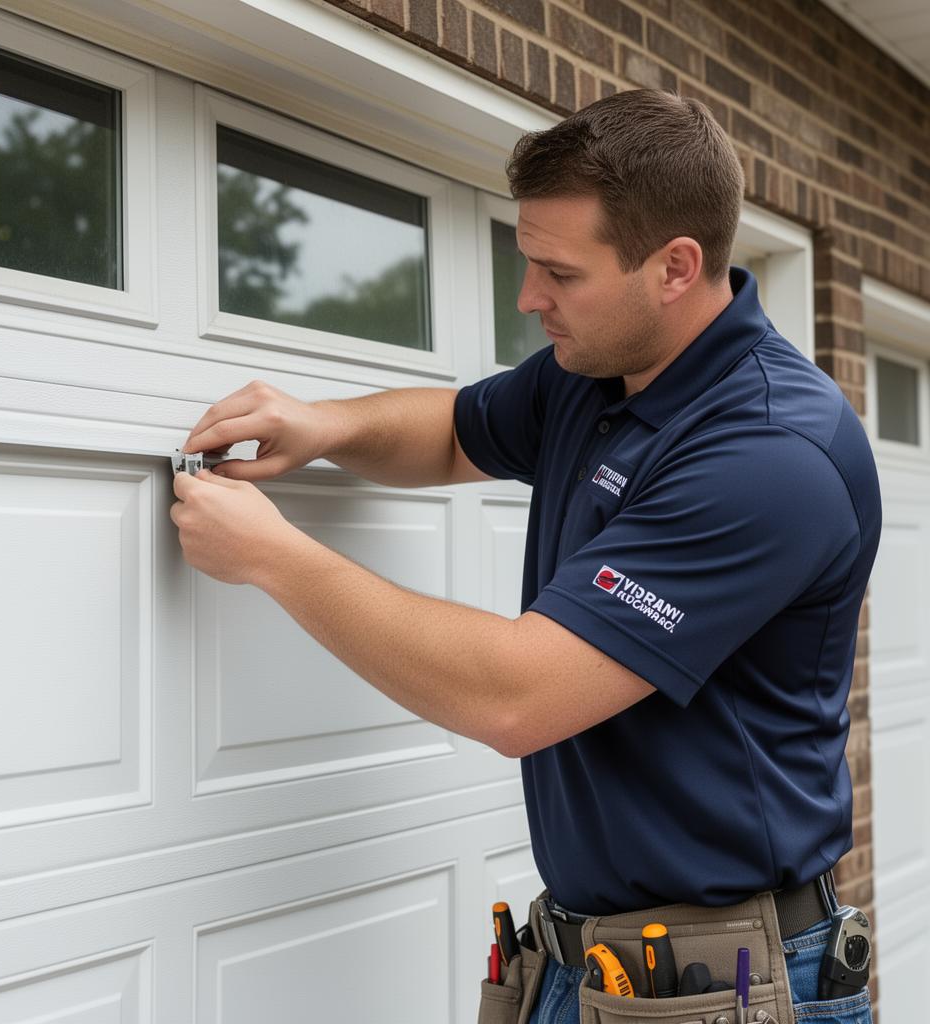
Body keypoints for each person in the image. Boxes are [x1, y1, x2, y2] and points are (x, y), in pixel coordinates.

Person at [171, 89, 879, 1024]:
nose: (528, 298)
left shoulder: (773, 452)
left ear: (675, 267)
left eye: (559, 272)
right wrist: (324, 425)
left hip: (725, 987)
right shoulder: (597, 373)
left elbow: (517, 695)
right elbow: (457, 432)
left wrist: (274, 559)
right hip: (576, 959)